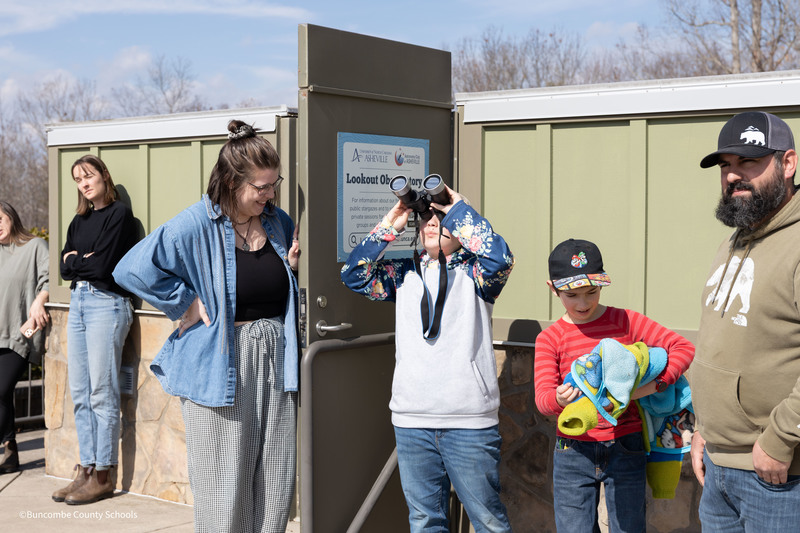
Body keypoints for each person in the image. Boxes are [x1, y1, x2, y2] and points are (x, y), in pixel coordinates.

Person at [113, 120, 301, 533]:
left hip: (276, 361)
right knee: (223, 486)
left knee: (274, 480)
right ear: (233, 182)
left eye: (274, 184)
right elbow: (131, 269)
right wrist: (186, 303)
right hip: (221, 365)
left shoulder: (277, 222)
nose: (271, 195)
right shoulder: (196, 223)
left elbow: (279, 283)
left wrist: (291, 270)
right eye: (262, 187)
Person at [341, 187, 515, 533]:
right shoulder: (403, 274)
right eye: (426, 218)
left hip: (468, 421)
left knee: (488, 521)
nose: (433, 223)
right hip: (412, 419)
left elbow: (501, 259)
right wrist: (393, 220)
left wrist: (459, 209)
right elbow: (353, 274)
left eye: (442, 218)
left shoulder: (477, 274)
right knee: (424, 521)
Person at [534, 238, 694, 532]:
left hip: (626, 443)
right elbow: (543, 400)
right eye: (572, 295)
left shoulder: (625, 321)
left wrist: (656, 385)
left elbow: (682, 347)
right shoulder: (549, 339)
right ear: (553, 288)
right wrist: (559, 398)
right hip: (572, 449)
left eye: (591, 292)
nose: (583, 303)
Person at [691, 111, 800, 531]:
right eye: (726, 166)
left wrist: (780, 440)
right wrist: (705, 428)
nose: (734, 176)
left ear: (787, 163)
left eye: (749, 162)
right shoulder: (733, 240)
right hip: (719, 468)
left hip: (777, 477)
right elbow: (721, 344)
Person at [52, 155, 137, 505]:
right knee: (80, 391)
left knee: (102, 392)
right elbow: (63, 267)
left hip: (107, 304)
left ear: (104, 176)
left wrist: (80, 261)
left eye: (88, 176)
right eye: (77, 179)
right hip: (80, 303)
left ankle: (104, 474)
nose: (84, 184)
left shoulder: (120, 216)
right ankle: (85, 469)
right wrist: (78, 262)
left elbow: (103, 265)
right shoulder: (79, 220)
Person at [0, 201, 49, 474]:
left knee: (0, 389)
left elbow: (53, 276)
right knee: (3, 396)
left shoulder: (34, 247)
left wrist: (40, 300)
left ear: (10, 217)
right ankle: (10, 451)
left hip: (21, 333)